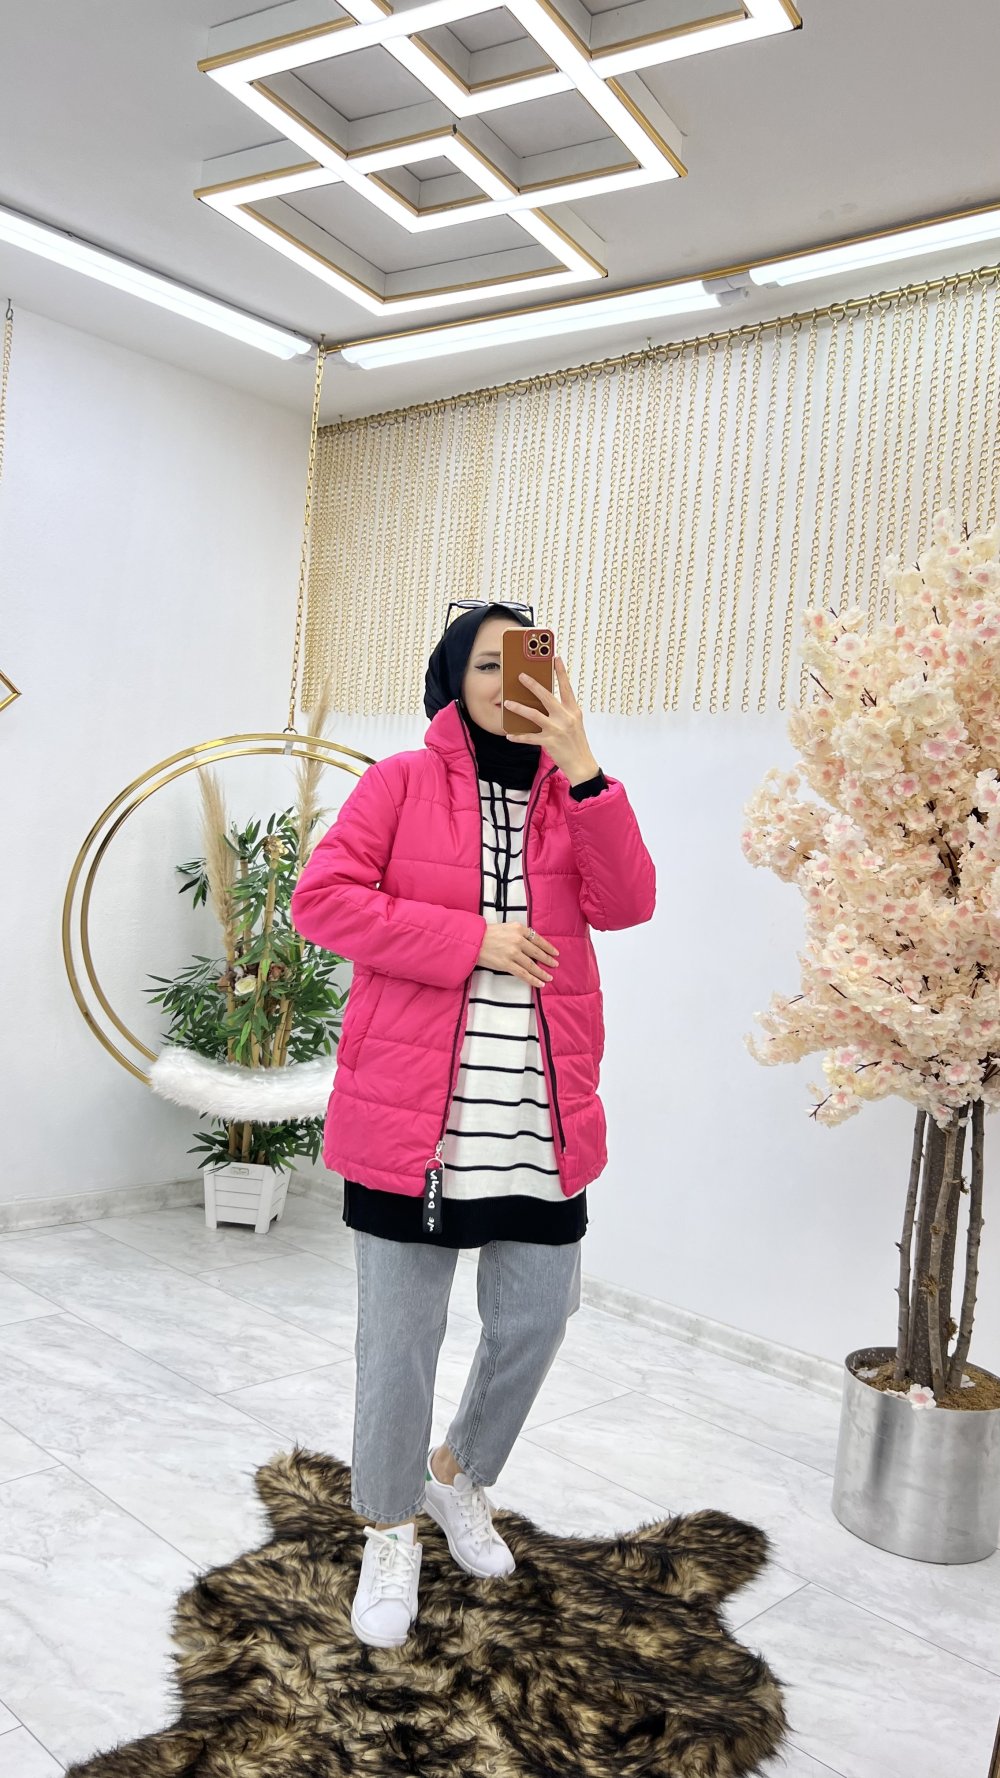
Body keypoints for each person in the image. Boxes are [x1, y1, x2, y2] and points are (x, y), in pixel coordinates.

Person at [290, 600, 656, 1648]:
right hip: (413, 1123)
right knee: (399, 1343)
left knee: (536, 1318)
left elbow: (628, 902)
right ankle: (389, 1525)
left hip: (538, 1118)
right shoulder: (400, 783)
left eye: (526, 661)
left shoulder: (573, 799)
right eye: (486, 663)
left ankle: (456, 1474)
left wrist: (584, 767)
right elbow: (324, 900)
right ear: (453, 679)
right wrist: (473, 939)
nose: (507, 680)